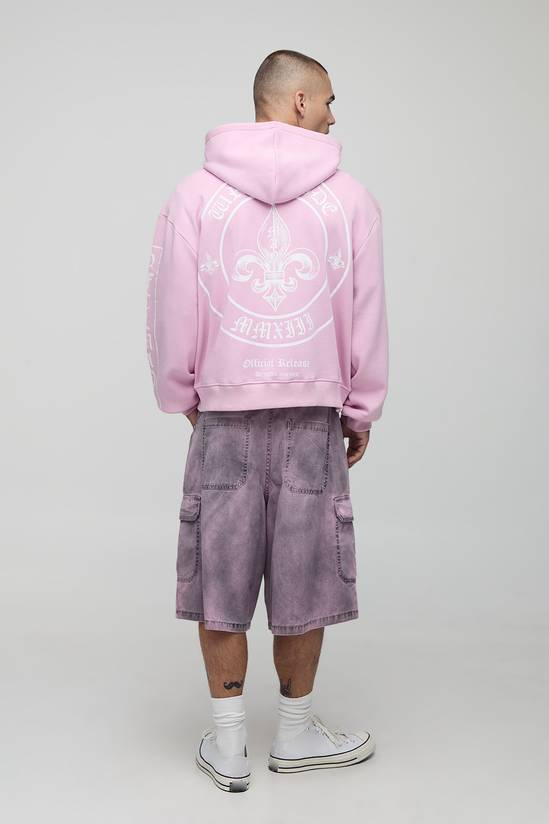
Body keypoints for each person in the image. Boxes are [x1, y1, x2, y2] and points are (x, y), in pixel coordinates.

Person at [146, 48, 389, 792]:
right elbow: (367, 312)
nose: (334, 115)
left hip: (224, 414)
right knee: (306, 568)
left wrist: (185, 395)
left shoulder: (193, 196)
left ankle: (228, 746)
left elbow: (171, 305)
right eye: (328, 100)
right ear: (299, 102)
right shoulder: (350, 200)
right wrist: (360, 406)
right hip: (313, 416)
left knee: (218, 570)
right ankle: (294, 732)